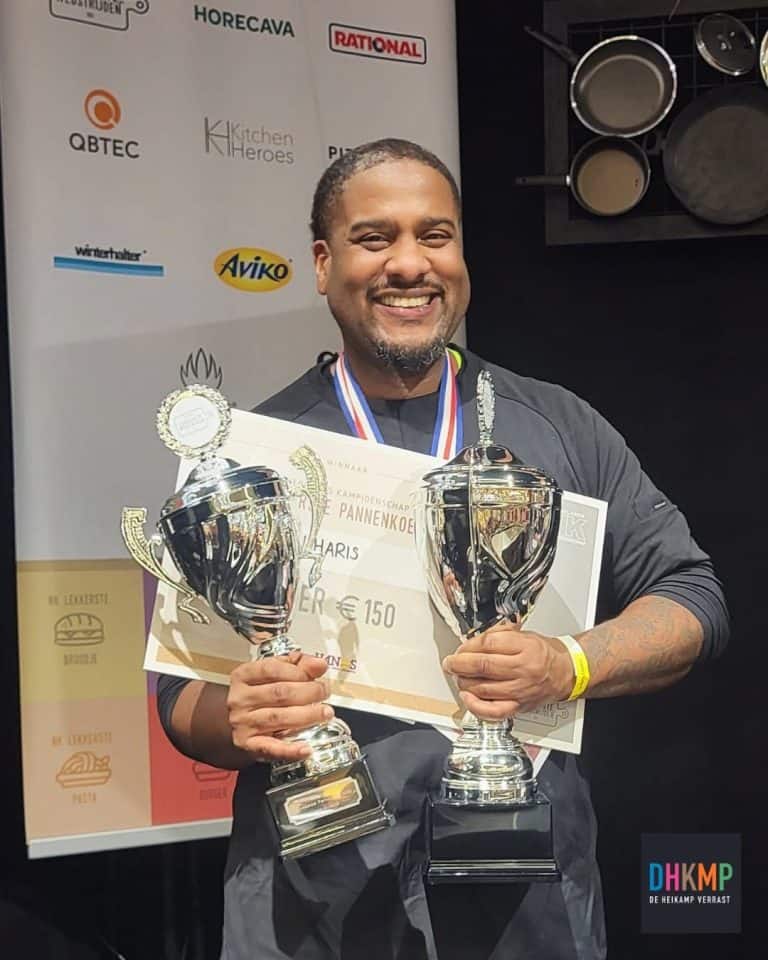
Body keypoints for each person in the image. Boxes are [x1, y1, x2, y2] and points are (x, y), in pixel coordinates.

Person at [156, 139, 729, 959]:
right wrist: (238, 716)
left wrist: (568, 663)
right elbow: (179, 697)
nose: (409, 264)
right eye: (373, 238)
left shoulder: (559, 425)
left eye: (435, 235)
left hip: (525, 900)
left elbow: (693, 598)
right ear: (322, 264)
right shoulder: (251, 457)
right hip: (314, 902)